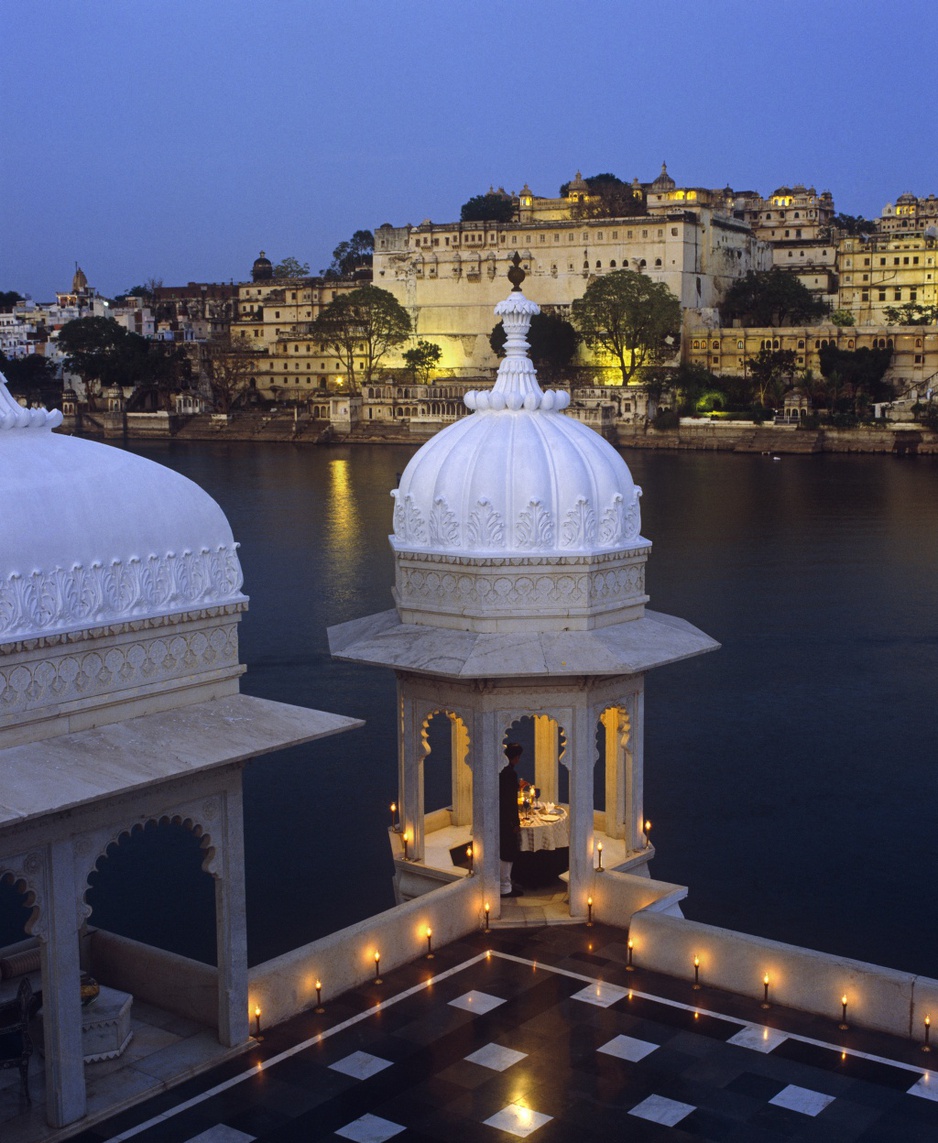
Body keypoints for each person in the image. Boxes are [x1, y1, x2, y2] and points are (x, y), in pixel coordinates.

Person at [499, 741, 529, 897]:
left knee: (505, 852)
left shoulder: (501, 771)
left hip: (499, 818)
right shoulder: (510, 774)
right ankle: (505, 887)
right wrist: (515, 823)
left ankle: (507, 883)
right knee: (507, 853)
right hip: (506, 821)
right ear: (515, 757)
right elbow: (509, 801)